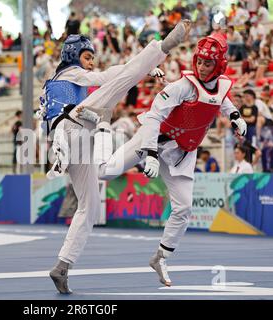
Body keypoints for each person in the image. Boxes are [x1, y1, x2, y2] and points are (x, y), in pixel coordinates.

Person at [37, 21, 192, 294]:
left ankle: (62, 266)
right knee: (118, 85)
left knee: (91, 207)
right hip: (74, 126)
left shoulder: (51, 86)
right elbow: (107, 77)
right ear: (73, 56)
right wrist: (142, 69)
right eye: (87, 57)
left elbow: (46, 121)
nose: (89, 63)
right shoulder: (71, 74)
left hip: (71, 140)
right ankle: (163, 46)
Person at [89, 33, 247, 287]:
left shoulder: (223, 85)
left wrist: (236, 117)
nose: (202, 67)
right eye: (200, 61)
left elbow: (222, 100)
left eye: (208, 63)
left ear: (218, 66)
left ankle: (161, 256)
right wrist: (150, 153)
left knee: (183, 208)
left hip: (182, 152)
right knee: (104, 172)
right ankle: (103, 127)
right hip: (153, 139)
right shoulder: (182, 86)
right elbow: (153, 117)